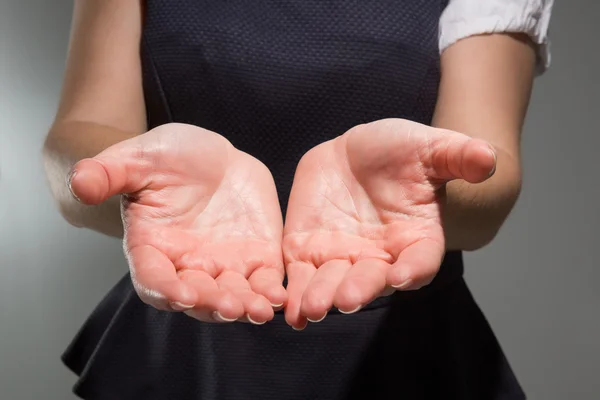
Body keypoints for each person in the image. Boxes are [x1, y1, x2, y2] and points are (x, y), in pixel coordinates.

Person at [42, 0, 553, 399]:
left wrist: (417, 191)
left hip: (401, 355)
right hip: (190, 330)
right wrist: (135, 180)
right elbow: (79, 136)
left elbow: (490, 170)